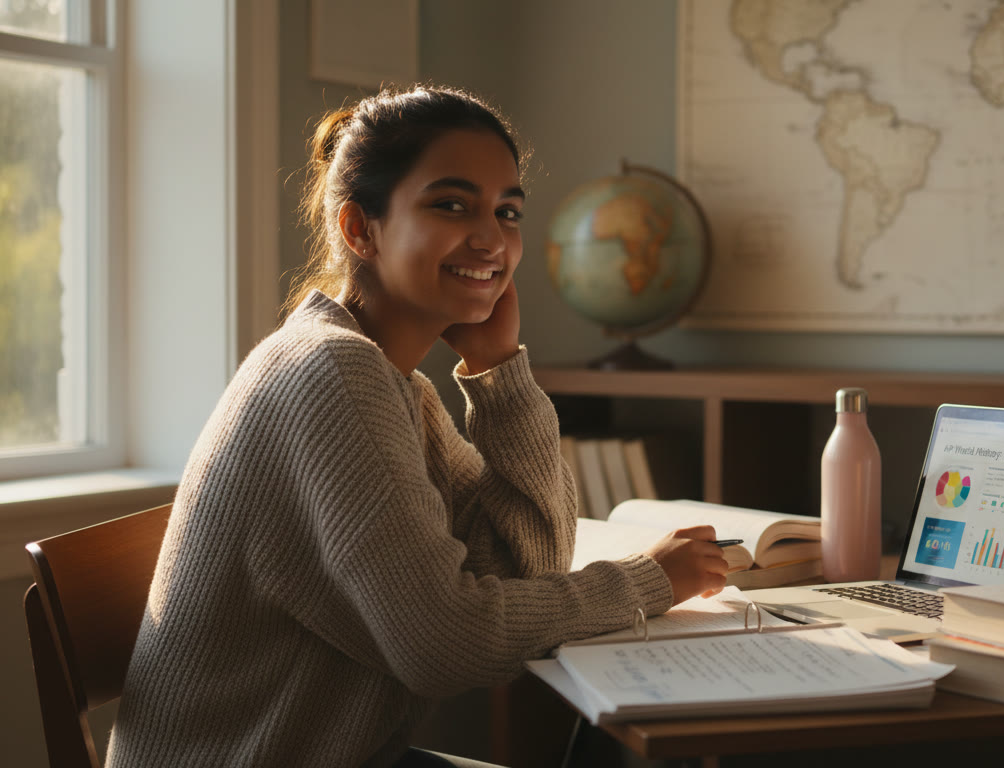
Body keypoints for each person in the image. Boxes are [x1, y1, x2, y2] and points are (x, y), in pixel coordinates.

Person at [106, 84, 730, 768]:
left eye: (508, 210)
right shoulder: (331, 373)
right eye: (451, 205)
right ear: (359, 229)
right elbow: (447, 647)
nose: (492, 238)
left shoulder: (397, 386)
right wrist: (647, 583)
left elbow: (526, 566)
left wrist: (499, 375)